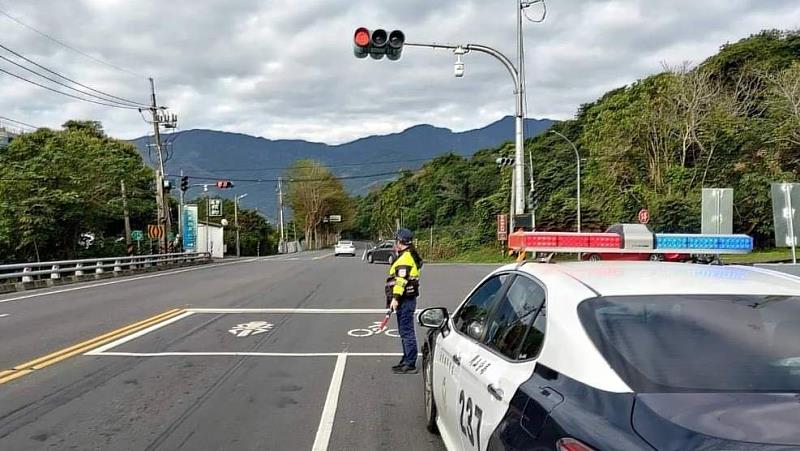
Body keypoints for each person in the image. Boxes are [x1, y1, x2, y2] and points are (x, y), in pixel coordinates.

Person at [385, 228, 423, 374]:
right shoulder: (405, 256)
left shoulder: (405, 258)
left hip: (405, 299)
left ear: (400, 242)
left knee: (407, 331)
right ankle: (406, 359)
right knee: (403, 330)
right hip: (405, 299)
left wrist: (395, 299)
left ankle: (410, 363)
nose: (395, 243)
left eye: (396, 240)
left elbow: (400, 281)